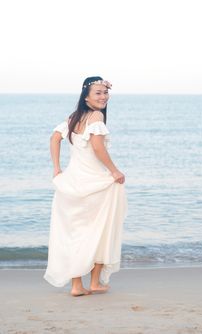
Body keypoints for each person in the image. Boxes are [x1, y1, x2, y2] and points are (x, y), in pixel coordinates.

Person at [43, 76, 128, 297]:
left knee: (76, 234)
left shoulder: (74, 117)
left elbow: (54, 138)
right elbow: (98, 148)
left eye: (105, 92)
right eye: (98, 93)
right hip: (95, 183)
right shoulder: (96, 116)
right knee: (101, 231)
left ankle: (76, 286)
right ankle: (95, 283)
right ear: (86, 96)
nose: (103, 97)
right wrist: (114, 171)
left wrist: (57, 168)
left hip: (71, 183)